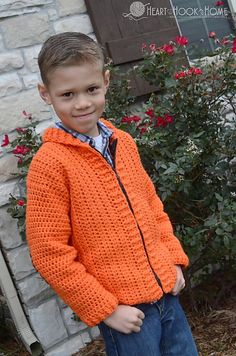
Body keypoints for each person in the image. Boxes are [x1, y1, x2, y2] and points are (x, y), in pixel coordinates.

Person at [26, 32, 198, 356]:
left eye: (91, 89)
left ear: (105, 81)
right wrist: (106, 309)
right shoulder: (50, 164)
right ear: (45, 94)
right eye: (67, 94)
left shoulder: (123, 143)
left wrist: (173, 260)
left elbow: (152, 208)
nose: (82, 103)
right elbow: (49, 253)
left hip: (167, 296)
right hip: (125, 313)